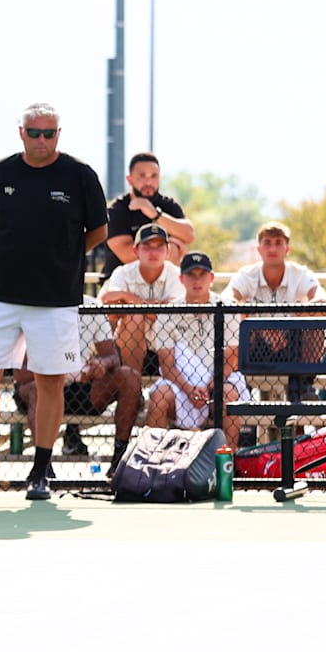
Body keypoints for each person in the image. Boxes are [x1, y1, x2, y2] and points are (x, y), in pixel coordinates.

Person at [0, 102, 108, 501]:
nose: (41, 139)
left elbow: (98, 232)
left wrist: (62, 259)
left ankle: (41, 472)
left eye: (49, 133)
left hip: (56, 300)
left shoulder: (81, 176)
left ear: (59, 134)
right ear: (20, 132)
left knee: (50, 383)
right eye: (34, 132)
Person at [12, 296, 143, 476]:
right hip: (40, 385)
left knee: (130, 377)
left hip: (80, 387)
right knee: (37, 388)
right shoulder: (31, 305)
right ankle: (43, 469)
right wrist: (66, 372)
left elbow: (113, 357)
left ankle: (118, 463)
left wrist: (101, 364)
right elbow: (21, 374)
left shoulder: (91, 306)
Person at [146, 252, 248, 448]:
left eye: (202, 274)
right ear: (181, 279)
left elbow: (231, 359)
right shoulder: (168, 312)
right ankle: (153, 463)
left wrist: (210, 386)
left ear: (211, 278)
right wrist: (190, 390)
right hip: (182, 381)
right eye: (191, 274)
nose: (197, 280)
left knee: (229, 395)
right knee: (159, 397)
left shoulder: (228, 308)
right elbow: (167, 366)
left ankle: (228, 465)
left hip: (220, 378)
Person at [226, 220, 326, 367]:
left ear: (287, 249)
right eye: (267, 243)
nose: (273, 248)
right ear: (259, 249)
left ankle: (306, 381)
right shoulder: (247, 274)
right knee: (239, 318)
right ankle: (243, 381)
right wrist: (258, 324)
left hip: (292, 342)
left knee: (315, 324)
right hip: (255, 343)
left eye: (278, 242)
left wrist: (291, 319)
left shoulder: (299, 273)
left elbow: (323, 301)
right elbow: (226, 299)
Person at [98, 223, 186, 376]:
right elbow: (108, 303)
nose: (153, 252)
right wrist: (151, 307)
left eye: (159, 247)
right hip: (126, 346)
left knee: (134, 311)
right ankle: (134, 385)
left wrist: (126, 297)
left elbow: (172, 315)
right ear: (135, 250)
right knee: (134, 316)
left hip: (170, 347)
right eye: (147, 246)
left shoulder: (176, 274)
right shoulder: (123, 272)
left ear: (168, 252)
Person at [99, 152, 195, 279]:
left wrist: (155, 215)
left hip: (162, 288)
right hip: (121, 285)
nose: (149, 182)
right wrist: (170, 244)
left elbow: (189, 234)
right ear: (130, 179)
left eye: (154, 176)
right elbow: (126, 255)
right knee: (173, 248)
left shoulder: (168, 205)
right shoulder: (116, 210)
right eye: (142, 176)